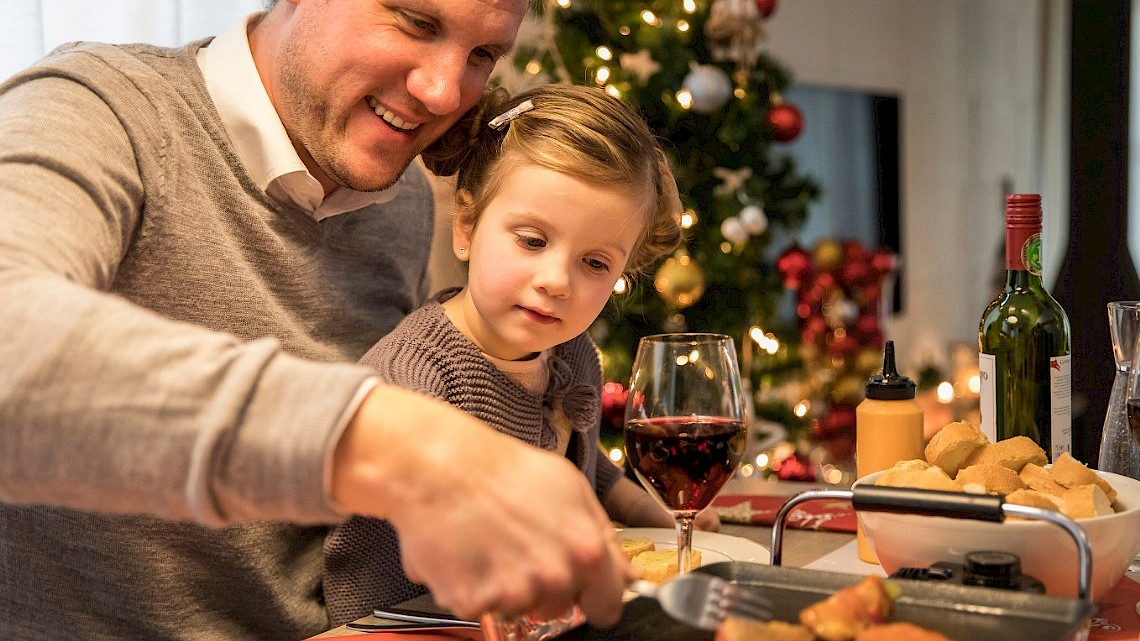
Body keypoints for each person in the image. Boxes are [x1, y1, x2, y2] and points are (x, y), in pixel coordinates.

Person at [0, 2, 636, 640]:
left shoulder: (401, 196)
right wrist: (406, 446)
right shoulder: (95, 109)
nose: (443, 93)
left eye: (481, 56)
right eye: (416, 21)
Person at [322, 83, 717, 624]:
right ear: (466, 228)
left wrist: (645, 509)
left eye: (596, 263)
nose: (556, 281)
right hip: (410, 622)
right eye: (532, 241)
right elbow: (383, 550)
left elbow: (581, 462)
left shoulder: (572, 353)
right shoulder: (415, 379)